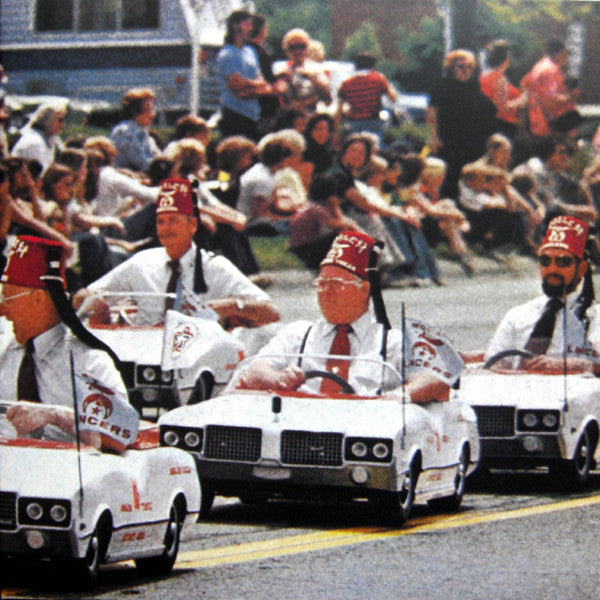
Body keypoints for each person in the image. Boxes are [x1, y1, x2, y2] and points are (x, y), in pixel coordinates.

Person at [236, 230, 458, 402]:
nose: (325, 291)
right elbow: (254, 370)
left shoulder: (390, 341)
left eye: (336, 284)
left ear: (364, 289)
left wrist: (399, 396)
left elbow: (441, 373)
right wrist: (277, 379)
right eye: (321, 284)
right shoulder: (298, 334)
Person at [73, 178, 280, 331]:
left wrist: (231, 306)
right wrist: (89, 301)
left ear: (192, 225)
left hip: (193, 353)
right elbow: (89, 296)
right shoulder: (143, 262)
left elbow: (271, 313)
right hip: (141, 351)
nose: (165, 228)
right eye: (161, 222)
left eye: (174, 220)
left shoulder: (214, 267)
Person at [0, 235, 138, 452]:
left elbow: (122, 435)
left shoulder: (88, 361)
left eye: (7, 298)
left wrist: (57, 416)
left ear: (38, 299)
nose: (2, 310)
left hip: (64, 476)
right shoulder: (4, 350)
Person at [484, 215, 600, 372]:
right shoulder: (518, 315)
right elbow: (495, 363)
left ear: (581, 269)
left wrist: (564, 366)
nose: (552, 269)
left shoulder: (595, 315)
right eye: (546, 261)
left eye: (563, 262)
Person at [426, 49, 497, 199]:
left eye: (470, 67)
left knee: (473, 176)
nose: (466, 70)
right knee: (450, 178)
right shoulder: (442, 86)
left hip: (474, 140)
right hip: (450, 139)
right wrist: (433, 135)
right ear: (452, 67)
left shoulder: (475, 86)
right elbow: (431, 112)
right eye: (461, 67)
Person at [216, 9, 286, 141]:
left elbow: (260, 81)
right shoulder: (227, 54)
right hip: (234, 115)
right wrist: (269, 90)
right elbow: (238, 91)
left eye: (251, 25)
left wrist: (249, 84)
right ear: (235, 26)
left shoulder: (250, 51)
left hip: (253, 116)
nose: (251, 28)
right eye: (247, 24)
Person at [521, 37, 583, 138]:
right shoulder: (551, 70)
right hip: (551, 131)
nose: (567, 58)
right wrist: (570, 96)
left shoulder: (538, 67)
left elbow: (524, 84)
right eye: (566, 54)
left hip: (536, 126)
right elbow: (548, 101)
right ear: (561, 53)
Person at [337, 51, 398, 145]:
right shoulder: (378, 79)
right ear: (373, 65)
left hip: (354, 122)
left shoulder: (347, 83)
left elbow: (340, 109)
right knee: (374, 149)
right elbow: (393, 98)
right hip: (373, 121)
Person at [479, 39, 528, 140]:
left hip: (487, 126)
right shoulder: (498, 79)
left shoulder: (483, 76)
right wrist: (522, 98)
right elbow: (503, 108)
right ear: (506, 59)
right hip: (503, 127)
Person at [277, 28, 332, 115]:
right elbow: (280, 102)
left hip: (312, 119)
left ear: (308, 47)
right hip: (289, 119)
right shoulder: (281, 70)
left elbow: (328, 101)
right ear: (286, 49)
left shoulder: (317, 69)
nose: (298, 51)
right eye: (293, 47)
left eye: (302, 47)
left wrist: (312, 78)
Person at [109, 88, 161, 172]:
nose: (153, 114)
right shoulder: (125, 132)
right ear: (135, 111)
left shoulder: (143, 132)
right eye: (148, 110)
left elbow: (158, 158)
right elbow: (144, 165)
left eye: (152, 109)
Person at [11, 101, 67, 171]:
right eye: (60, 120)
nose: (63, 124)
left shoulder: (49, 138)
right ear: (47, 121)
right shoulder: (34, 143)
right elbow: (40, 175)